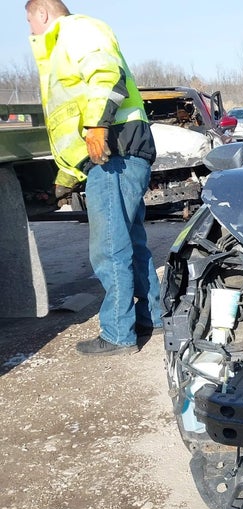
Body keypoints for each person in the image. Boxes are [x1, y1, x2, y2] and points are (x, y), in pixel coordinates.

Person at [25, 0, 161, 356]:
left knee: (110, 247)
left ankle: (118, 333)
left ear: (42, 13)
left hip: (113, 152)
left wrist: (98, 126)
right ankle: (152, 317)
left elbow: (107, 75)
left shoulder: (76, 30)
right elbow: (71, 130)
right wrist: (66, 178)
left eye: (29, 21)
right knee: (131, 242)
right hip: (117, 154)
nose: (30, 31)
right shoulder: (66, 43)